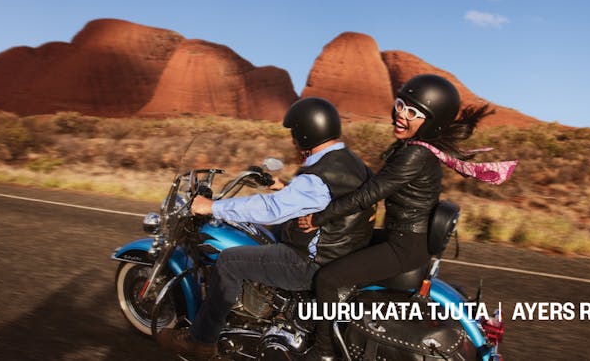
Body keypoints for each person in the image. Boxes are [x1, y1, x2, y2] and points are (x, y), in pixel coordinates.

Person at [156, 97, 375, 359]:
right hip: (343, 250)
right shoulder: (350, 161)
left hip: (313, 260)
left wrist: (211, 207)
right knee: (270, 232)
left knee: (229, 262)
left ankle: (201, 341)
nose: (293, 140)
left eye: (294, 134)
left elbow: (271, 209)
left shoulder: (317, 176)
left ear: (305, 132)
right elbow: (328, 200)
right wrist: (283, 188)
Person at [298, 74, 497, 360]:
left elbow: (370, 193)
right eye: (401, 105)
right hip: (403, 239)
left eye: (413, 112)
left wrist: (320, 218)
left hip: (404, 248)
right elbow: (371, 184)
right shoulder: (416, 149)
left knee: (328, 279)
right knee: (337, 244)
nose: (401, 115)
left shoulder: (415, 155)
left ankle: (324, 351)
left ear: (432, 122)